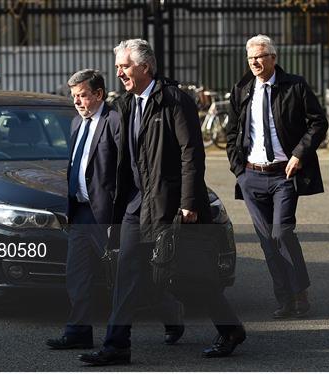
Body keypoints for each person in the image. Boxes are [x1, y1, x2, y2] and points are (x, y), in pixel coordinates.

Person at [78, 39, 245, 366]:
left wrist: (188, 202)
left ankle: (230, 330)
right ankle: (117, 345)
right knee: (125, 274)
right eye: (117, 67)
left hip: (170, 204)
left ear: (145, 67)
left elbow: (191, 153)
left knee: (186, 275)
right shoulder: (126, 103)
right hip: (136, 204)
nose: (119, 72)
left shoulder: (173, 100)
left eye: (124, 66)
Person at [226, 35, 327, 319]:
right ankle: (284, 298)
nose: (254, 62)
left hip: (284, 174)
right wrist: (239, 169)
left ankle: (300, 291)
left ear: (273, 57)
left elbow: (318, 122)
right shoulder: (242, 89)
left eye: (259, 57)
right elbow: (232, 132)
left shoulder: (295, 85)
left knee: (281, 232)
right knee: (266, 240)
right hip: (251, 176)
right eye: (250, 58)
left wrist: (298, 155)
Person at [45, 69, 120, 349]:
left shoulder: (114, 121)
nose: (77, 101)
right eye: (74, 96)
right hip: (80, 210)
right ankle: (78, 333)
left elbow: (124, 169)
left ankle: (170, 312)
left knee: (121, 274)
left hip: (106, 214)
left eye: (83, 95)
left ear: (99, 94)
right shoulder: (77, 122)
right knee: (77, 275)